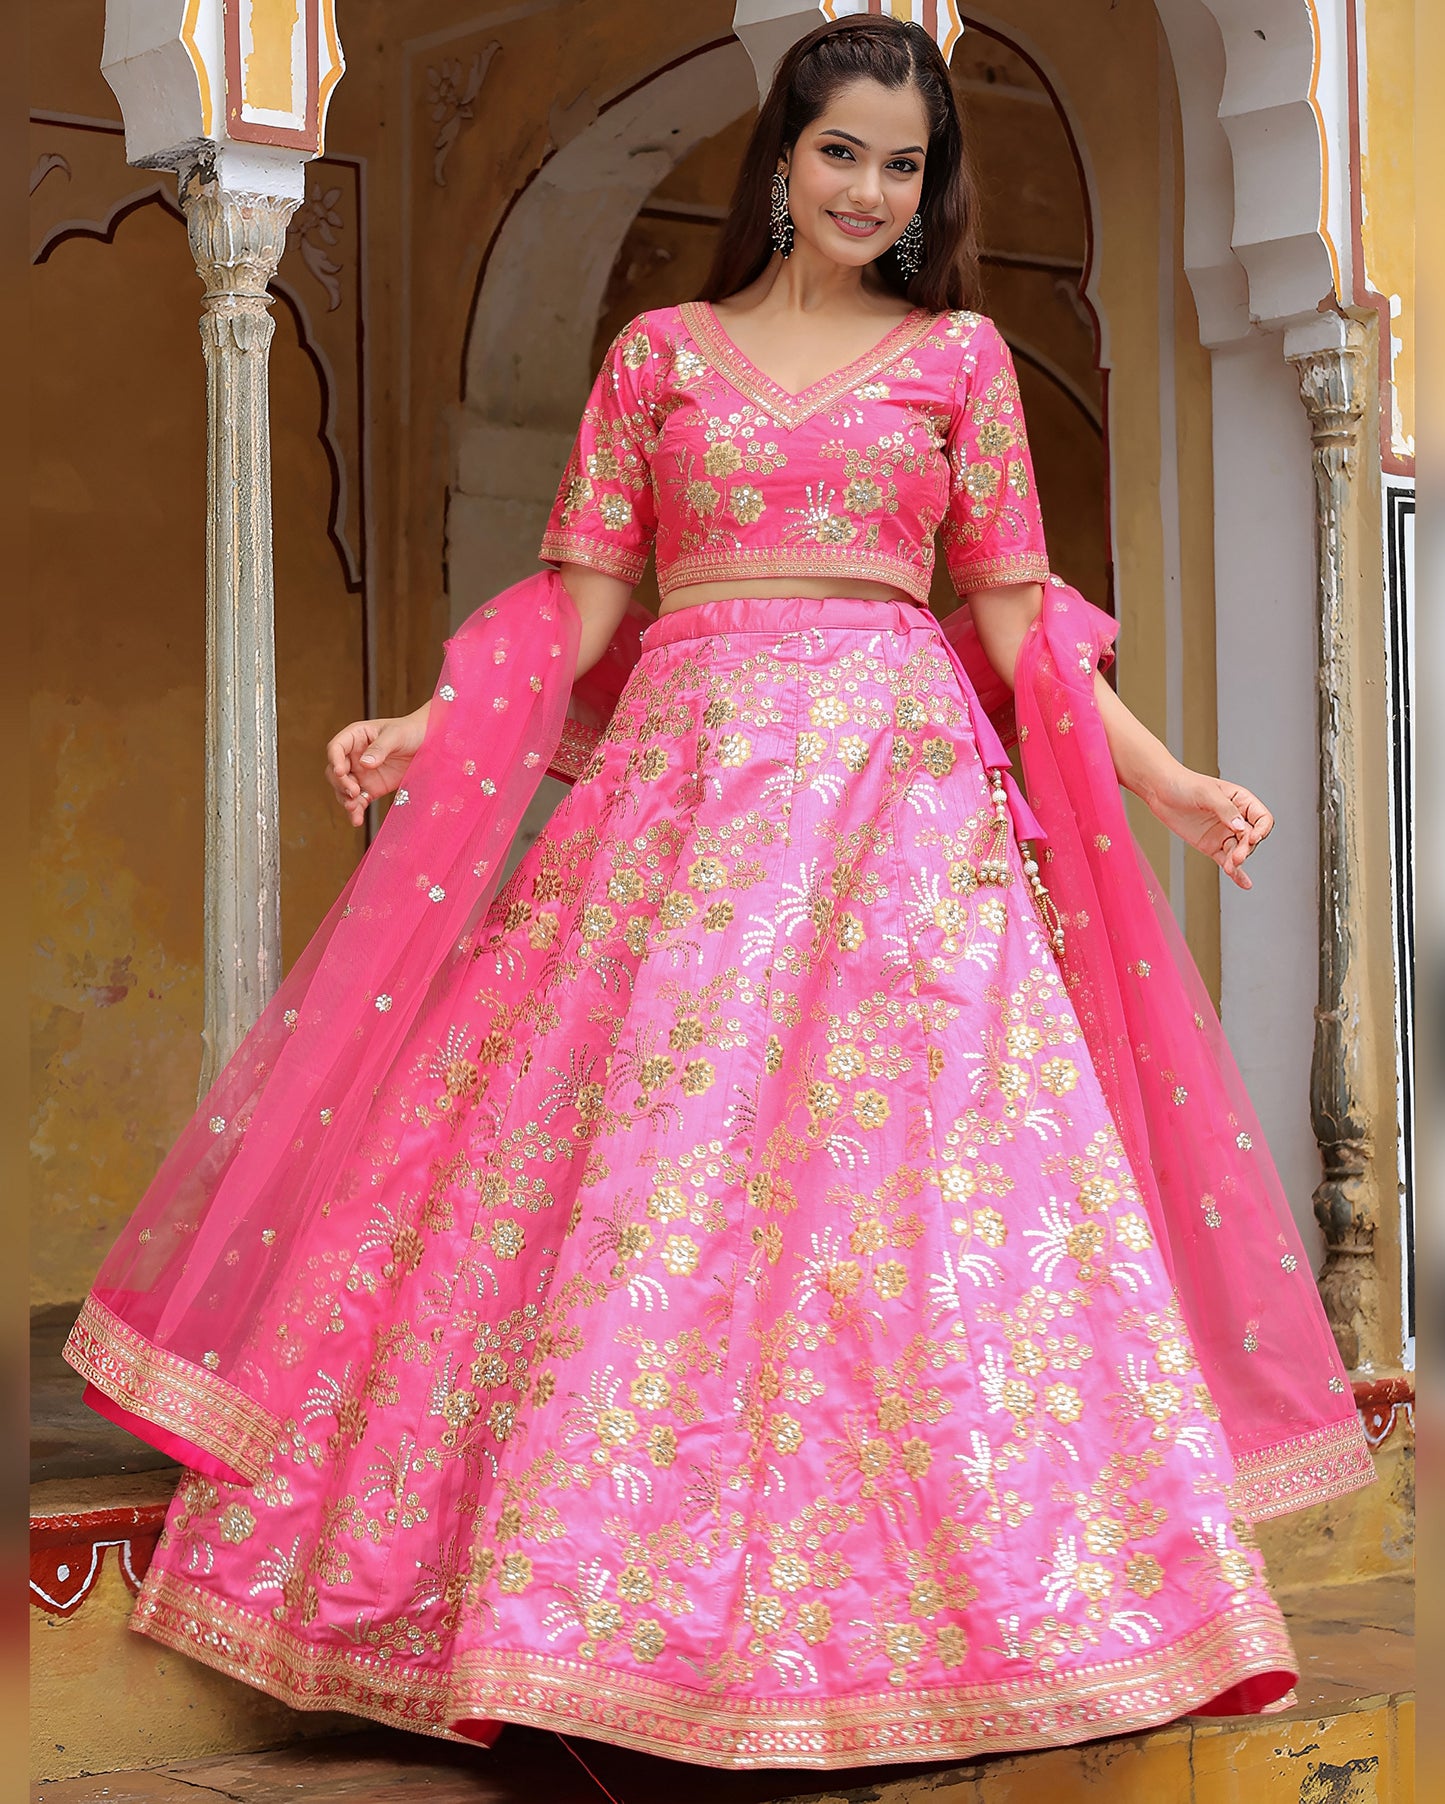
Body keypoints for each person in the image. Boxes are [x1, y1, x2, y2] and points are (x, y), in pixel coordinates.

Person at [67, 16, 1371, 1771]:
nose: (867, 188)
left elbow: (1011, 621)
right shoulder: (660, 359)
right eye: (839, 151)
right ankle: (575, 1627)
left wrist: (1169, 777)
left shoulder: (960, 360)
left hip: (895, 830)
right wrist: (442, 724)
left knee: (906, 1209)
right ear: (779, 158)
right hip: (679, 814)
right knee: (642, 1186)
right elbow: (582, 609)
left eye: (902, 163)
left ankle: (941, 1642)